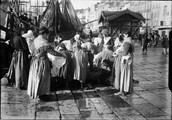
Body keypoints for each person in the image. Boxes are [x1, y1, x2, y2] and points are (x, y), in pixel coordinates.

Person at [27, 27, 65, 99]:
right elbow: (52, 52)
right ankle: (42, 94)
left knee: (35, 77)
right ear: (44, 34)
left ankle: (36, 92)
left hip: (35, 62)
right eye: (47, 35)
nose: (47, 36)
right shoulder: (44, 42)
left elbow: (31, 50)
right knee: (43, 78)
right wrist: (62, 55)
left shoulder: (35, 40)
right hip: (42, 62)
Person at [114, 31, 134, 96]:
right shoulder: (131, 40)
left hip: (125, 60)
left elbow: (125, 53)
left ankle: (122, 91)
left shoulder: (127, 41)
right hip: (129, 60)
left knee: (124, 75)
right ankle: (127, 89)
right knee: (128, 75)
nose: (123, 36)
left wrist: (117, 53)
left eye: (124, 34)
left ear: (127, 35)